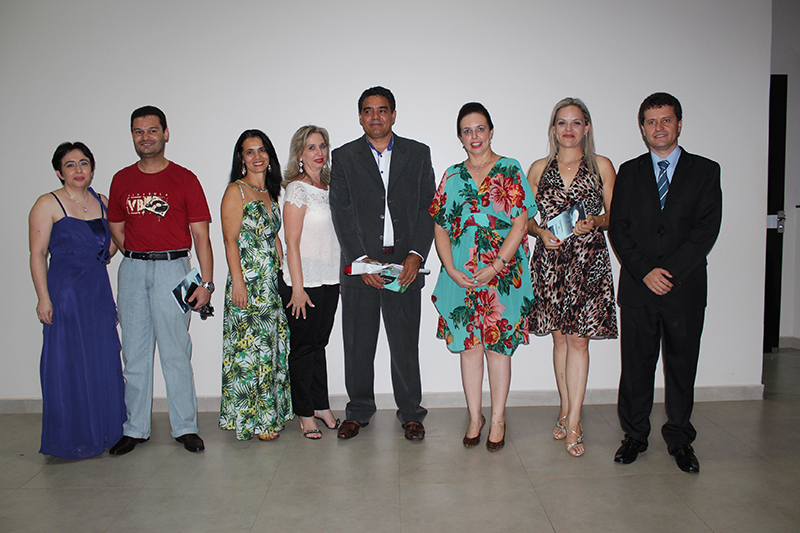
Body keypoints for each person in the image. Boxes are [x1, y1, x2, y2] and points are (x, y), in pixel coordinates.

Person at [609, 93, 722, 473]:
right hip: (639, 289)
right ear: (642, 128)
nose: (659, 128)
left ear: (679, 124)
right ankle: (634, 436)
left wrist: (668, 273)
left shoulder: (705, 171)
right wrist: (645, 272)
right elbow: (619, 228)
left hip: (684, 289)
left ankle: (680, 439)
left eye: (666, 120)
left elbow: (706, 231)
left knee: (681, 368)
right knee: (635, 368)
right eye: (651, 121)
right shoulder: (629, 172)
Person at [329, 86, 435, 441]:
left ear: (393, 114)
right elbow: (341, 210)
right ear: (360, 117)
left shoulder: (417, 154)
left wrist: (416, 254)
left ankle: (411, 414)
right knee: (358, 344)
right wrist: (361, 260)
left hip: (404, 266)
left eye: (382, 110)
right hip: (361, 266)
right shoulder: (344, 157)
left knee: (404, 345)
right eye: (368, 110)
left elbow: (427, 207)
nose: (376, 116)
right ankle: (358, 410)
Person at [108, 106, 214, 455]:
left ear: (165, 133)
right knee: (134, 354)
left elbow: (201, 237)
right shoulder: (122, 179)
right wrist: (137, 255)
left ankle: (185, 427)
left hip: (174, 269)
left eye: (152, 130)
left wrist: (206, 284)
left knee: (176, 352)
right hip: (133, 271)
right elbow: (117, 229)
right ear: (132, 136)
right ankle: (135, 428)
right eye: (138, 131)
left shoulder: (184, 179)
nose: (146, 137)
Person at [430, 102, 536, 452]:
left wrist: (497, 265)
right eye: (467, 131)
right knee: (470, 348)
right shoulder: (451, 175)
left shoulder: (510, 168)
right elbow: (440, 226)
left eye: (480, 129)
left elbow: (521, 222)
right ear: (459, 137)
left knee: (498, 348)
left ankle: (499, 418)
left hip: (502, 271)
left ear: (491, 131)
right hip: (461, 271)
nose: (474, 136)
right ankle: (475, 417)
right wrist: (450, 269)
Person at [527, 98, 618, 457]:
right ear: (553, 129)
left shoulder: (601, 166)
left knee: (579, 341)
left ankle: (575, 421)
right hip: (551, 262)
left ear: (586, 128)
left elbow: (614, 215)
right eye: (562, 123)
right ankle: (565, 409)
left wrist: (595, 221)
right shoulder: (538, 168)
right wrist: (539, 232)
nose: (569, 129)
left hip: (588, 261)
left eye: (576, 122)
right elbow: (525, 219)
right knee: (561, 340)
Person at [28, 142, 126, 459]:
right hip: (65, 293)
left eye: (83, 163)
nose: (78, 170)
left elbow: (114, 242)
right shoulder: (47, 203)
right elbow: (37, 254)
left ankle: (106, 430)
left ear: (92, 168)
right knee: (68, 361)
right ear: (59, 172)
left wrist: (102, 255)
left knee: (102, 357)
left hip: (97, 290)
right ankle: (72, 435)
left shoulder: (103, 202)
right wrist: (43, 298)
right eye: (70, 165)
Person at [219, 129, 292, 441]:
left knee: (269, 349)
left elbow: (273, 236)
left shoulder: (270, 192)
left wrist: (284, 271)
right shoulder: (236, 191)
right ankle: (255, 422)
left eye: (261, 150)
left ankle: (269, 415)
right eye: (250, 151)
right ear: (241, 158)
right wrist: (238, 282)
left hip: (270, 284)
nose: (257, 156)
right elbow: (230, 240)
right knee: (249, 352)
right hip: (248, 282)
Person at [279, 126, 341, 440]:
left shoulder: (331, 187)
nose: (319, 153)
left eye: (322, 146)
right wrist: (298, 288)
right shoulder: (297, 189)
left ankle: (321, 405)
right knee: (303, 349)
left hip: (330, 279)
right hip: (303, 283)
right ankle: (304, 412)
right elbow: (291, 242)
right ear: (300, 154)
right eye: (311, 147)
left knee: (319, 345)